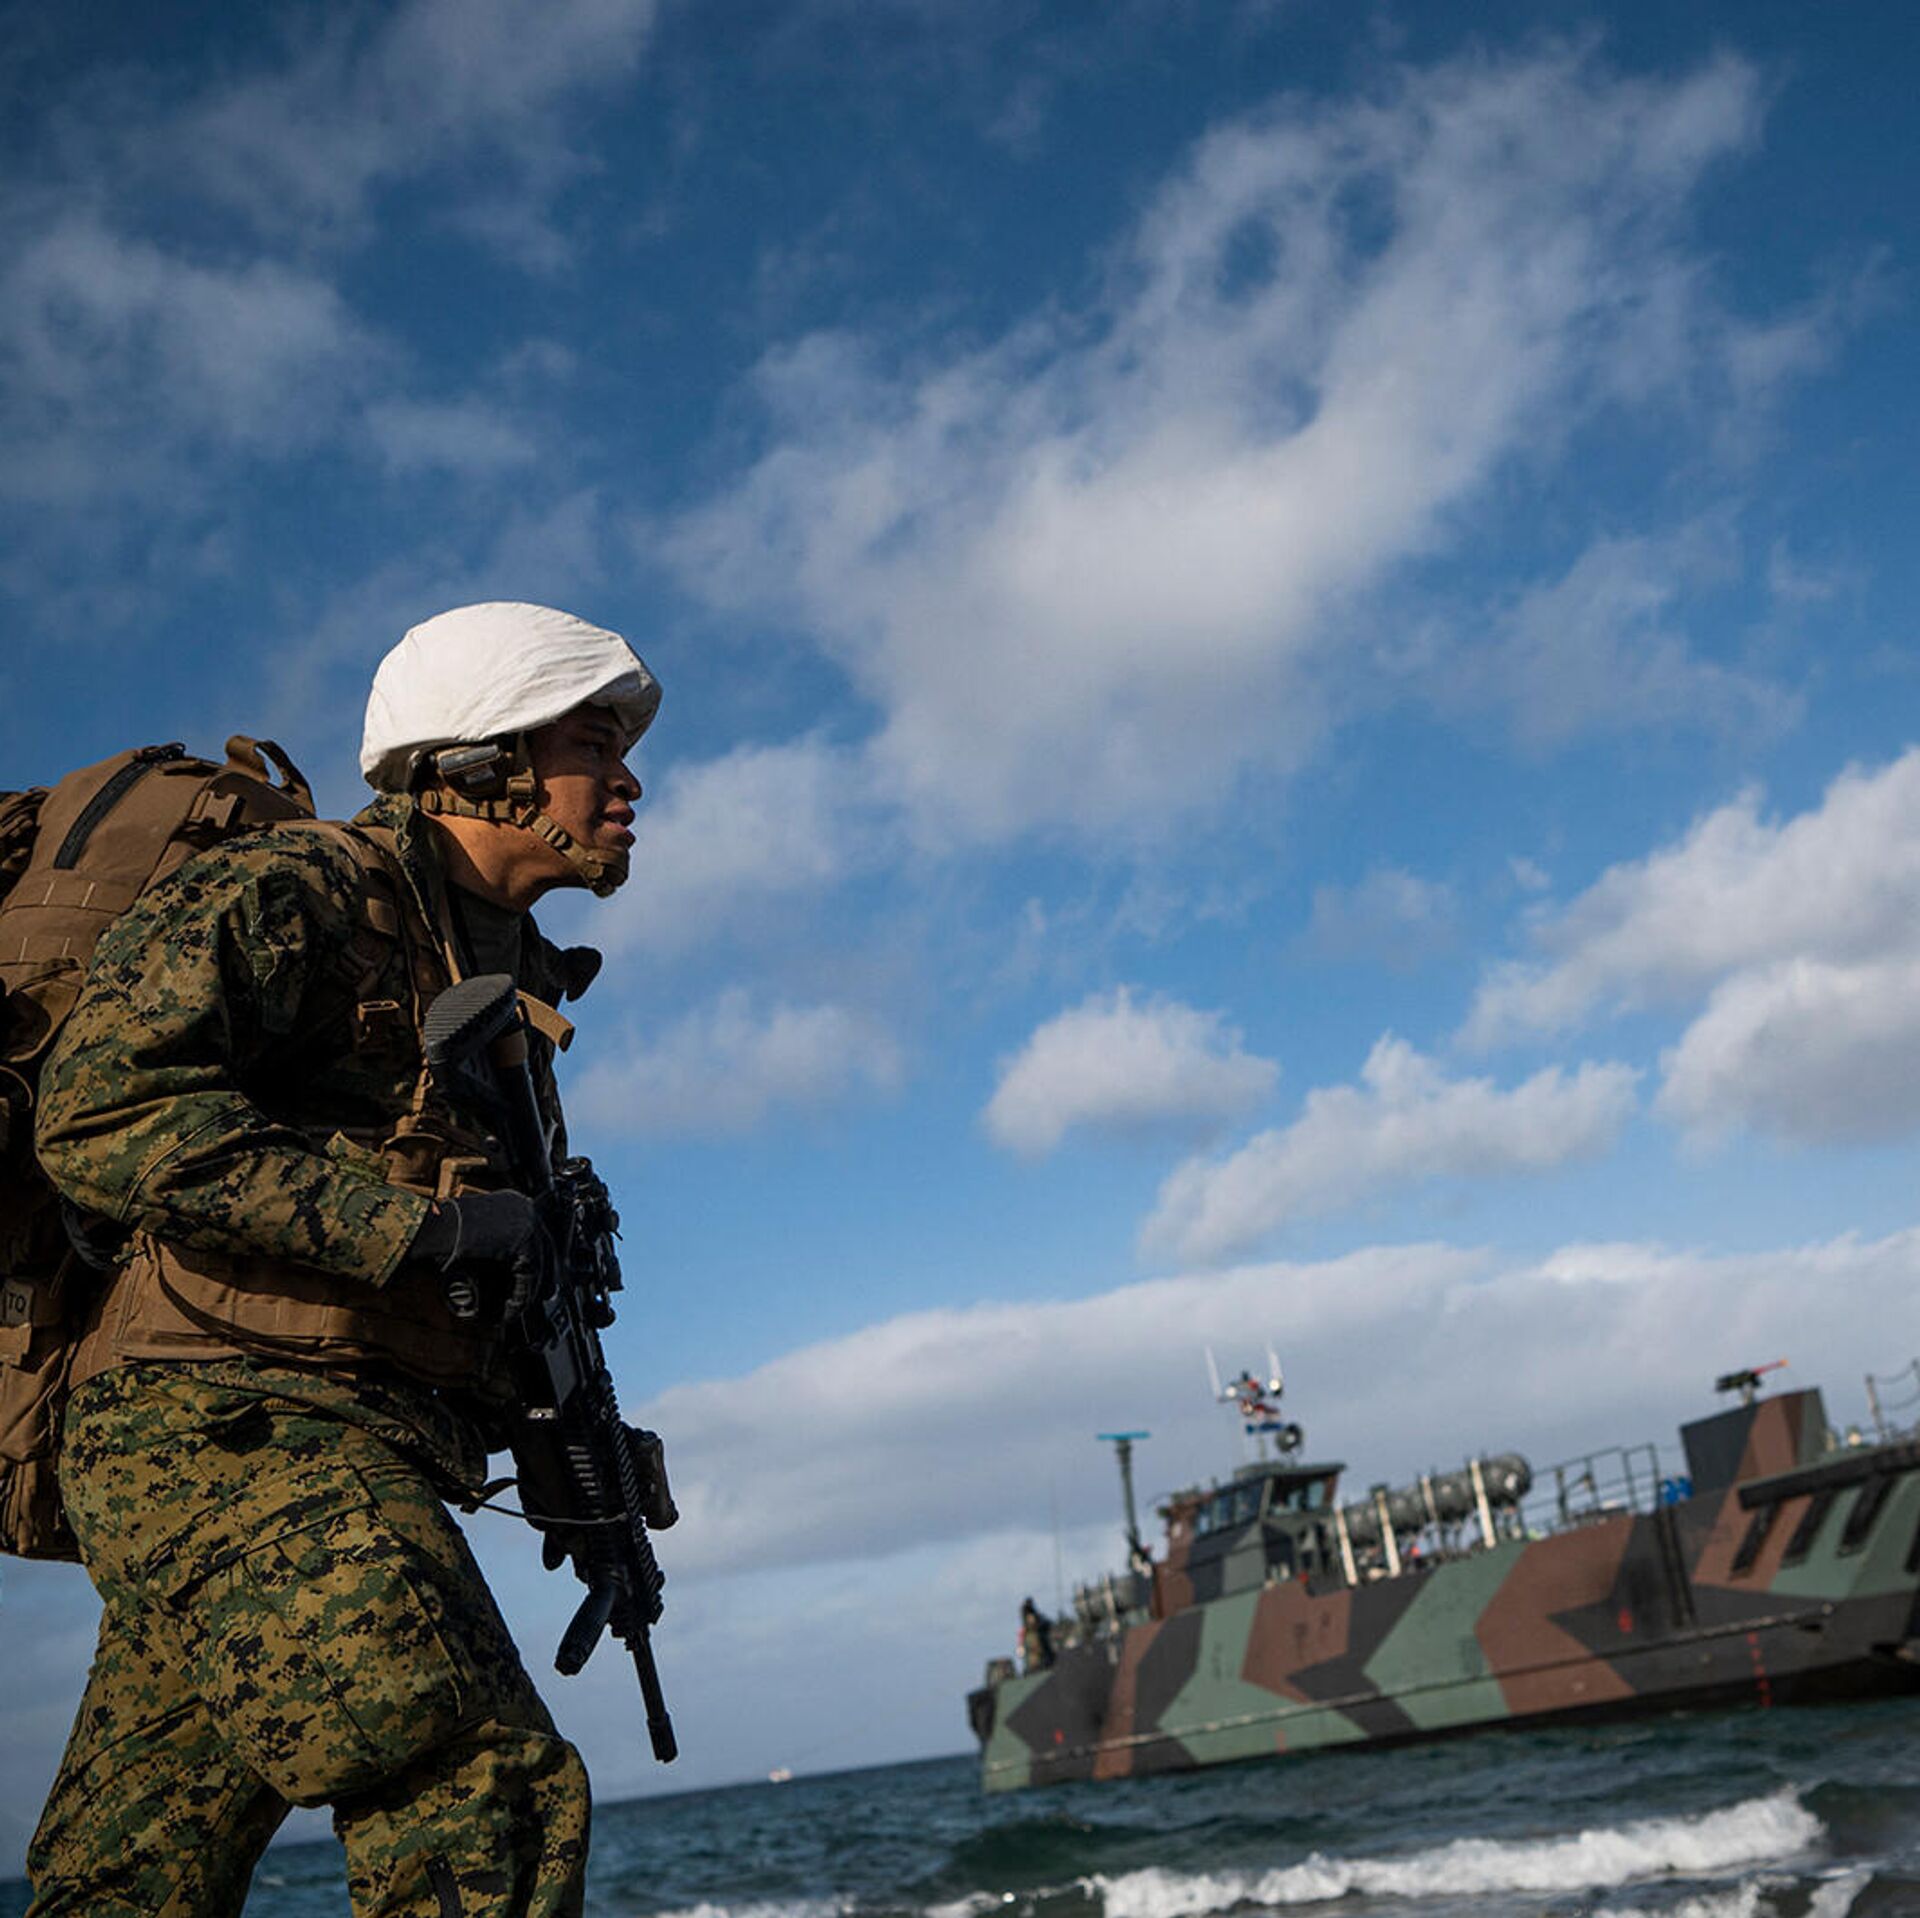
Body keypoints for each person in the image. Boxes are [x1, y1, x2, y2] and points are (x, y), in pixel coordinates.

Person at [25, 602, 661, 1917]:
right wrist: (419, 1228)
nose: (631, 779)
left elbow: (485, 1276)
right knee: (478, 1789)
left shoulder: (509, 1000)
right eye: (595, 741)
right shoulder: (301, 892)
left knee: (129, 1881)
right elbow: (97, 1112)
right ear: (482, 758)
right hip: (221, 1428)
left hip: (310, 1446)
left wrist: (581, 1467)